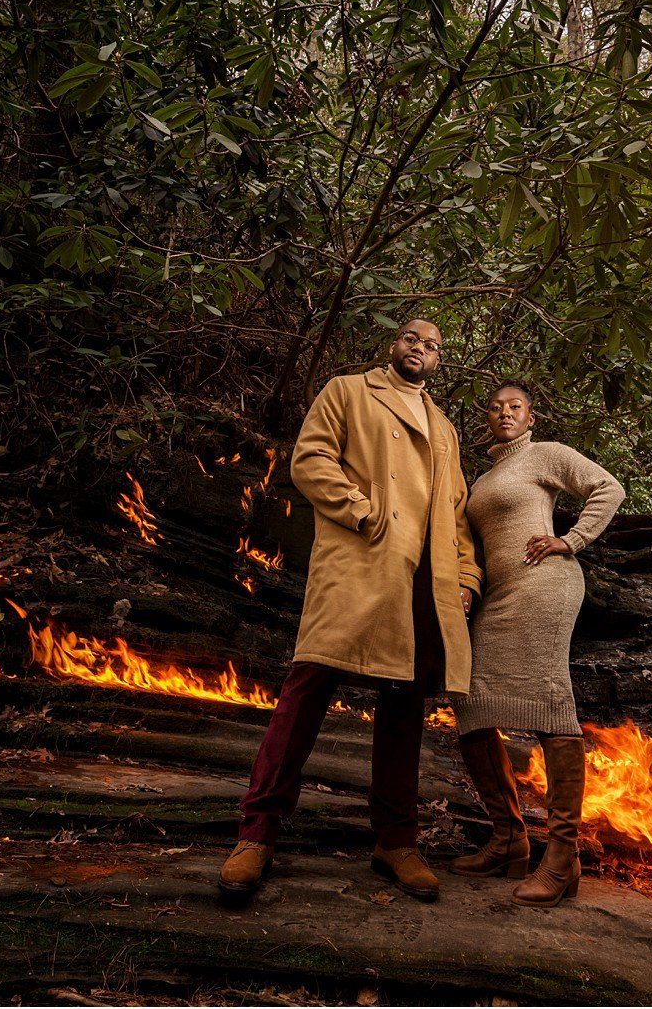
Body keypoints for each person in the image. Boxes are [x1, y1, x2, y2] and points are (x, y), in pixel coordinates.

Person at [218, 319, 483, 902]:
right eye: (412, 338)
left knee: (404, 708)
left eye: (433, 346)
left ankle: (396, 841)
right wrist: (363, 512)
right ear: (394, 345)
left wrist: (465, 576)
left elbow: (457, 511)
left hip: (424, 578)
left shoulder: (443, 428)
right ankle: (256, 834)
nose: (421, 349)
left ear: (439, 362)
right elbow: (310, 461)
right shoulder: (348, 391)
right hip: (361, 562)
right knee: (307, 687)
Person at [449, 380, 625, 907]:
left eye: (516, 407)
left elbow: (608, 488)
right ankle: (507, 839)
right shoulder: (483, 477)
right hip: (497, 595)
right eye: (496, 407)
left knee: (550, 705)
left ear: (532, 418)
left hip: (545, 585)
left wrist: (569, 539)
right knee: (471, 703)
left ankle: (562, 859)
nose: (505, 413)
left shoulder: (545, 455)